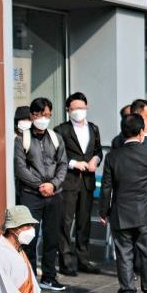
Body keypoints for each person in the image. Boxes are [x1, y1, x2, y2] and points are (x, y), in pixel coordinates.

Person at [100, 114, 147, 293]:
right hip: (146, 213)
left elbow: (107, 187)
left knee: (124, 254)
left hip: (121, 214)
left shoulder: (113, 156)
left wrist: (103, 212)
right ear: (141, 132)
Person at [13, 98, 68, 292]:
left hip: (54, 194)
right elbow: (20, 168)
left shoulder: (56, 137)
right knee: (30, 237)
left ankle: (49, 277)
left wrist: (53, 184)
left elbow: (63, 164)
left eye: (46, 115)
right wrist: (40, 185)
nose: (42, 119)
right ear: (32, 115)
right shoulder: (22, 139)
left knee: (52, 237)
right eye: (38, 115)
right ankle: (29, 278)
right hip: (31, 194)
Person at [53, 92, 103, 275]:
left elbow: (98, 150)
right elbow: (58, 155)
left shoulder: (94, 128)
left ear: (86, 107)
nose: (78, 112)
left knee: (84, 221)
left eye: (81, 108)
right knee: (65, 222)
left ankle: (83, 258)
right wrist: (74, 163)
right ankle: (66, 260)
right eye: (74, 109)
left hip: (88, 181)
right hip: (69, 181)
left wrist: (95, 161)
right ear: (68, 110)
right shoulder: (61, 130)